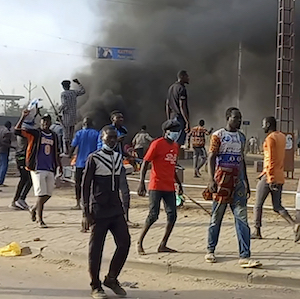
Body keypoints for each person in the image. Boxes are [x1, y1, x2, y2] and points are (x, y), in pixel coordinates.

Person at [205, 107, 261, 268]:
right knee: (216, 218)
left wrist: (247, 182)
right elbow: (211, 157)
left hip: (238, 183)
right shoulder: (218, 136)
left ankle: (244, 255)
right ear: (228, 118)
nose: (239, 121)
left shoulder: (242, 137)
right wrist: (210, 179)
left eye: (240, 118)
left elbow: (241, 160)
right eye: (236, 118)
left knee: (242, 219)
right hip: (221, 181)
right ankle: (210, 250)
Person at [82, 125, 130, 299]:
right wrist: (85, 211)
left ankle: (111, 278)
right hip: (98, 210)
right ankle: (95, 285)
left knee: (124, 243)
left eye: (114, 137)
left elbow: (120, 184)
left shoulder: (118, 158)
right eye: (108, 137)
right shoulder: (94, 158)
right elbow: (85, 185)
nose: (111, 140)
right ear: (102, 138)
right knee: (96, 249)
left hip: (116, 209)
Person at [136, 119, 183, 255]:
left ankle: (163, 244)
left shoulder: (175, 146)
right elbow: (145, 163)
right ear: (166, 132)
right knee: (153, 215)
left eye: (177, 131)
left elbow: (173, 167)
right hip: (156, 185)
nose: (175, 134)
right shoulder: (156, 144)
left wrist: (178, 184)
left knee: (172, 215)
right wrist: (141, 182)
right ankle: (140, 242)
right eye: (173, 131)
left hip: (169, 187)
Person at [251, 117, 299, 240]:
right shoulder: (282, 136)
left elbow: (271, 159)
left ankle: (257, 231)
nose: (263, 127)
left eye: (263, 124)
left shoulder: (270, 139)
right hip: (279, 175)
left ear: (268, 124)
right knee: (277, 206)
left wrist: (270, 178)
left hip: (269, 176)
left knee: (258, 205)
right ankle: (294, 224)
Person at [15, 110, 62, 228]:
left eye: (47, 121)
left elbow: (56, 152)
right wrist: (22, 117)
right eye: (43, 121)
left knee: (48, 194)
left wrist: (59, 166)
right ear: (40, 123)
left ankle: (33, 208)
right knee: (41, 194)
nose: (45, 123)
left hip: (50, 167)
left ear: (50, 122)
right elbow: (17, 130)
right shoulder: (35, 133)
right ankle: (40, 220)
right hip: (37, 167)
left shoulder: (54, 136)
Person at [97, 111, 136, 226]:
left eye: (122, 117)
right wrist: (115, 141)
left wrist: (127, 155)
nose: (121, 119)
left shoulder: (123, 130)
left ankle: (125, 217)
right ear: (112, 119)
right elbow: (100, 146)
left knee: (125, 191)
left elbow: (121, 148)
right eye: (118, 118)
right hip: (107, 165)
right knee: (106, 191)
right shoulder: (106, 130)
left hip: (119, 164)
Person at [69, 117, 99, 211]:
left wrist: (69, 154)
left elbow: (73, 146)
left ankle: (78, 203)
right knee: (92, 183)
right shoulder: (96, 133)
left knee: (78, 183)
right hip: (92, 163)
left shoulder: (79, 133)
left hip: (80, 163)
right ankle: (90, 202)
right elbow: (99, 147)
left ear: (83, 124)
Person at [59, 79, 85, 154]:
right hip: (73, 116)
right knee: (71, 135)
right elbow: (83, 91)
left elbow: (64, 104)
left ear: (63, 86)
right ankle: (71, 150)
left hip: (66, 116)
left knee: (66, 136)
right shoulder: (73, 92)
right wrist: (78, 83)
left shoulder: (63, 94)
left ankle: (67, 151)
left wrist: (58, 110)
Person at [166, 70, 190, 145]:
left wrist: (169, 120)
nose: (188, 78)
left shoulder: (171, 88)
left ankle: (171, 156)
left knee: (171, 142)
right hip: (179, 118)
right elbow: (182, 106)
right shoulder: (181, 88)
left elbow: (167, 105)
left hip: (172, 118)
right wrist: (187, 121)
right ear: (182, 77)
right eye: (187, 76)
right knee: (178, 143)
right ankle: (177, 157)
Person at [9, 134, 32, 210]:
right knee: (27, 179)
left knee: (24, 180)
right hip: (22, 157)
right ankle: (19, 199)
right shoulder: (23, 133)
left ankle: (17, 200)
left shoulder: (24, 133)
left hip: (23, 157)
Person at [0, 121, 15, 186]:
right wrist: (12, 146)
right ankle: (0, 181)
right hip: (4, 150)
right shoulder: (7, 132)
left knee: (1, 166)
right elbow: (4, 142)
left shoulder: (1, 130)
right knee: (4, 166)